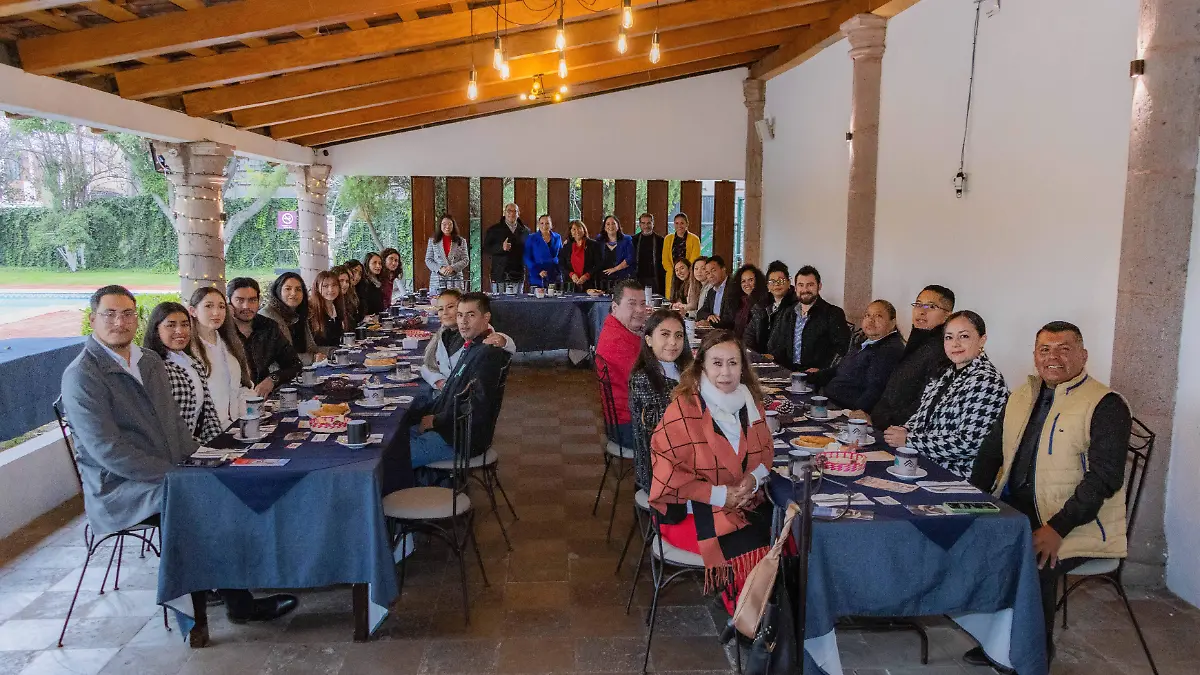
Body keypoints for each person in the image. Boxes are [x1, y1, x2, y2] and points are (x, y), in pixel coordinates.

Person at [61, 286, 297, 623]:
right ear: (92, 319)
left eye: (127, 313)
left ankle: (244, 578)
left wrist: (208, 459)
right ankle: (230, 606)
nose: (120, 322)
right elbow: (108, 451)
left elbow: (175, 425)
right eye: (109, 314)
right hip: (121, 488)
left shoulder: (149, 361)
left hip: (170, 469)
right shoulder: (82, 376)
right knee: (199, 502)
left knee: (233, 481)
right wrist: (179, 477)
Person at [968, 322, 1131, 667]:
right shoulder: (1023, 395)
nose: (1053, 357)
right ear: (1035, 356)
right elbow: (990, 453)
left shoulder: (1106, 404)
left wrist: (1058, 527)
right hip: (1018, 506)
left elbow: (1104, 478)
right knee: (964, 536)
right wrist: (971, 498)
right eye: (1045, 349)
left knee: (1033, 559)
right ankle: (995, 640)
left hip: (1075, 521)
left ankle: (1033, 655)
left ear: (1083, 356)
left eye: (1064, 348)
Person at [649, 329, 773, 614]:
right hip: (692, 514)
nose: (726, 372)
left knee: (787, 535)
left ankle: (771, 618)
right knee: (756, 547)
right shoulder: (683, 410)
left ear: (743, 366)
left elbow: (766, 453)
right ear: (701, 365)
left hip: (741, 503)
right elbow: (668, 477)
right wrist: (720, 496)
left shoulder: (752, 405)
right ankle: (747, 619)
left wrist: (753, 480)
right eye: (717, 363)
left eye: (733, 363)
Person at [882, 310, 1008, 477]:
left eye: (963, 336)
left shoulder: (987, 380)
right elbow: (922, 416)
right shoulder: (946, 373)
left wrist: (909, 440)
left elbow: (969, 444)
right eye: (949, 337)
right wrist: (902, 429)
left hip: (953, 476)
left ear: (982, 340)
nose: (955, 344)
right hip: (922, 464)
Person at [406, 293, 512, 468]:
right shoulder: (471, 346)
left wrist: (436, 420)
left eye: (471, 315)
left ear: (486, 318)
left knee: (392, 457)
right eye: (460, 315)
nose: (463, 321)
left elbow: (476, 405)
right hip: (450, 429)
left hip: (460, 440)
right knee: (394, 437)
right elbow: (451, 394)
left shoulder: (487, 353)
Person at [865, 285, 956, 428]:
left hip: (900, 432)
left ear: (948, 316)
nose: (921, 312)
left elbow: (923, 404)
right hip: (882, 423)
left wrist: (881, 421)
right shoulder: (918, 341)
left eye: (931, 307)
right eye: (918, 305)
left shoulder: (942, 350)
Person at [143, 302, 224, 444]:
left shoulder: (194, 363)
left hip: (195, 447)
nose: (180, 331)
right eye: (171, 325)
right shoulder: (152, 367)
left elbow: (208, 413)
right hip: (168, 451)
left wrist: (219, 446)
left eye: (185, 324)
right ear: (156, 330)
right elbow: (163, 421)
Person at [808, 300, 905, 413]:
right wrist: (810, 376)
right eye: (867, 315)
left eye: (878, 316)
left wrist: (856, 415)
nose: (871, 320)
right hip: (829, 400)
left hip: (843, 411)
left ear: (892, 323)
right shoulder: (867, 342)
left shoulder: (889, 350)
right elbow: (840, 369)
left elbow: (875, 390)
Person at [420, 289, 515, 389]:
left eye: (451, 307)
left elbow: (501, 343)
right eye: (440, 309)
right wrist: (439, 382)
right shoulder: (444, 334)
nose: (445, 312)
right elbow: (428, 366)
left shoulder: (477, 332)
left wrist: (503, 340)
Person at [761, 265, 850, 372]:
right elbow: (779, 346)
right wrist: (771, 357)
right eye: (801, 285)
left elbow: (842, 350)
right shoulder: (788, 313)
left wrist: (822, 370)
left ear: (819, 286)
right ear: (796, 288)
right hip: (788, 372)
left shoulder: (833, 313)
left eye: (810, 285)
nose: (805, 289)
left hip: (818, 377)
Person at [187, 286, 254, 429]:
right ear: (193, 311)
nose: (216, 312)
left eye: (221, 306)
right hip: (206, 430)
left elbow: (242, 385)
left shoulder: (230, 343)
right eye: (208, 306)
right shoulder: (188, 350)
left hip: (236, 424)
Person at [595, 280, 649, 448]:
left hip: (626, 417)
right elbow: (649, 386)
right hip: (628, 426)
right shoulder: (617, 341)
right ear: (615, 307)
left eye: (643, 303)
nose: (640, 310)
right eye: (632, 304)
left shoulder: (616, 327)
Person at [227, 277, 303, 396]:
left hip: (263, 400)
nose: (246, 306)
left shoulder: (268, 326)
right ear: (229, 302)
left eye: (252, 300)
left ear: (259, 300)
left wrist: (272, 379)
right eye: (240, 300)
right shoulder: (221, 332)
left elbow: (294, 364)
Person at [628, 309, 694, 445]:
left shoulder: (687, 370)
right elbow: (654, 420)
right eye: (665, 334)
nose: (673, 342)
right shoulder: (642, 378)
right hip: (658, 455)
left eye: (679, 335)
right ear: (649, 340)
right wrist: (688, 394)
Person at [259, 272, 319, 364]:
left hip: (303, 370)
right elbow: (276, 358)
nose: (293, 293)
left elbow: (312, 349)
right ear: (278, 291)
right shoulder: (267, 316)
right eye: (288, 289)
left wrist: (332, 351)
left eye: (298, 289)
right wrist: (311, 358)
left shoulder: (299, 313)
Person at [745, 260, 797, 353]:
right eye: (772, 281)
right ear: (768, 286)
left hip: (781, 361)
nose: (777, 284)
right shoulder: (761, 306)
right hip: (759, 359)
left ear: (789, 283)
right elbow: (749, 335)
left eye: (781, 280)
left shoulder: (795, 307)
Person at [484, 202, 530, 285]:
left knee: (517, 298)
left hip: (518, 273)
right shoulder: (494, 229)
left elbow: (529, 251)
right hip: (500, 272)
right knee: (499, 298)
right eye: (509, 211)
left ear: (518, 214)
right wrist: (501, 247)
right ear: (504, 213)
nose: (512, 214)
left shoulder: (526, 231)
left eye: (515, 211)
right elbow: (486, 248)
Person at [425, 213, 470, 293]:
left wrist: (453, 267)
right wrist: (439, 268)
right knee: (438, 303)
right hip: (438, 278)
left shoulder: (461, 241)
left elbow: (465, 260)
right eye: (444, 224)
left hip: (455, 278)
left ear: (453, 225)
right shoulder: (433, 241)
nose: (447, 226)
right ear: (440, 225)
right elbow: (428, 260)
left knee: (457, 302)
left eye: (450, 224)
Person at [661, 213, 701, 300]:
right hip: (672, 274)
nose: (679, 225)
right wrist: (675, 272)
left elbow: (694, 259)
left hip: (688, 274)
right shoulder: (668, 239)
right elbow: (665, 259)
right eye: (676, 223)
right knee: (672, 299)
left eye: (682, 223)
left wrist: (685, 271)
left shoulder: (694, 239)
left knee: (687, 299)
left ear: (687, 224)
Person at [721, 264, 767, 337]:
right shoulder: (735, 301)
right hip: (735, 343)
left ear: (758, 281)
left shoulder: (764, 302)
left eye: (750, 280)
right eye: (743, 281)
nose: (747, 284)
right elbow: (728, 324)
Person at [308, 270, 349, 349]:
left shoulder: (338, 308)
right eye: (325, 286)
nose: (331, 289)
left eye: (334, 285)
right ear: (317, 288)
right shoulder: (311, 312)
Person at [558, 219, 600, 291]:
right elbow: (561, 264)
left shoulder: (593, 245)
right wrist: (571, 274)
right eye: (574, 229)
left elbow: (598, 264)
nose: (577, 231)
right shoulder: (566, 246)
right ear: (570, 232)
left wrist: (587, 275)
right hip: (570, 285)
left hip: (590, 284)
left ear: (584, 230)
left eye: (579, 228)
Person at [524, 214, 564, 288]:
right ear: (538, 224)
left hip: (554, 274)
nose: (544, 226)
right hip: (538, 275)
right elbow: (527, 258)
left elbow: (561, 255)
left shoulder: (557, 237)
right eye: (542, 223)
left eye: (547, 223)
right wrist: (538, 271)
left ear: (551, 224)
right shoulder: (531, 238)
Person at [596, 215, 635, 288]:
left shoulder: (627, 239)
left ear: (618, 226)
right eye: (608, 224)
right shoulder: (599, 240)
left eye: (613, 223)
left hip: (623, 278)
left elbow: (630, 259)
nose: (611, 226)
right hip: (604, 279)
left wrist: (614, 269)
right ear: (604, 227)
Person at [632, 212, 665, 295]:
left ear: (653, 224)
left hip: (655, 277)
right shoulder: (633, 240)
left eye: (649, 223)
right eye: (643, 223)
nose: (646, 226)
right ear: (639, 224)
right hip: (638, 276)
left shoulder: (660, 240)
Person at [697, 255, 735, 326]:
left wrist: (710, 323)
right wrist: (708, 316)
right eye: (707, 273)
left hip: (728, 333)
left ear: (723, 269)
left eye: (713, 270)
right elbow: (700, 313)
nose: (710, 275)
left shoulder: (733, 288)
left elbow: (731, 319)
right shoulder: (711, 291)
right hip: (714, 332)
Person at [358, 252, 386, 317]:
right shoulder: (363, 283)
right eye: (374, 263)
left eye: (380, 263)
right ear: (367, 264)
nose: (378, 266)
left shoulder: (377, 281)